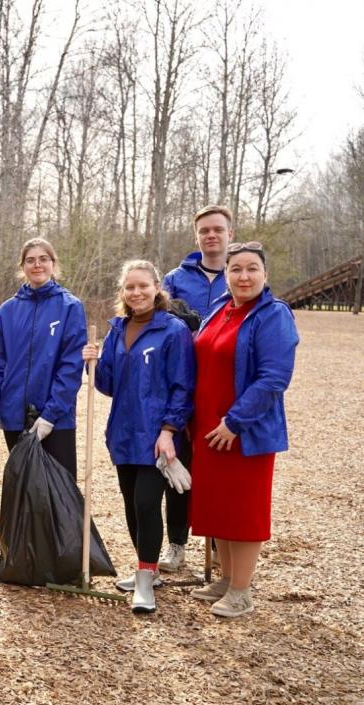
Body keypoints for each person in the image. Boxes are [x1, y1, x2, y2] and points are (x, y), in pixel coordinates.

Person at [188, 242, 298, 618]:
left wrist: (234, 422)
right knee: (218, 505)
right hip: (207, 427)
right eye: (236, 269)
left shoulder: (273, 315)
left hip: (244, 430)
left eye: (252, 269)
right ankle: (226, 577)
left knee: (244, 509)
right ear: (227, 274)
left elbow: (273, 378)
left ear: (265, 274)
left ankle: (241, 590)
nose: (244, 276)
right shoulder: (220, 308)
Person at [82, 260, 195, 614]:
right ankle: (146, 568)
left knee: (147, 503)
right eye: (130, 287)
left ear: (157, 287)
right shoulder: (118, 329)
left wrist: (169, 431)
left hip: (156, 435)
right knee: (132, 505)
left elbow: (183, 386)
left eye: (143, 286)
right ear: (123, 292)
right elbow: (110, 386)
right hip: (123, 433)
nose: (136, 293)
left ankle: (146, 579)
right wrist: (94, 364)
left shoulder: (173, 331)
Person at [158, 204, 235, 572]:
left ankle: (221, 542)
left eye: (218, 229)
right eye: (204, 230)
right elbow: (160, 319)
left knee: (220, 468)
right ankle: (176, 542)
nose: (211, 235)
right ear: (197, 236)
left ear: (229, 234)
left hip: (223, 385)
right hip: (181, 382)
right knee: (179, 464)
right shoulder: (175, 278)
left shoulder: (240, 274)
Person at [0, 238, 86, 476]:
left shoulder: (70, 307)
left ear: (53, 264)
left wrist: (50, 415)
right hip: (14, 415)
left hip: (55, 420)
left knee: (61, 494)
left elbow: (70, 367)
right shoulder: (7, 310)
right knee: (25, 491)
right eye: (30, 260)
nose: (37, 265)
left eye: (43, 259)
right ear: (23, 267)